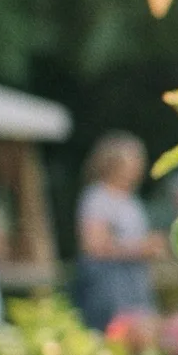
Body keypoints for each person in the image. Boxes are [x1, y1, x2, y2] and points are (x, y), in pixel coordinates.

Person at [73, 130, 164, 330]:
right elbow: (93, 245)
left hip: (135, 286)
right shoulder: (97, 198)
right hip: (109, 289)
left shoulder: (131, 200)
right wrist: (140, 248)